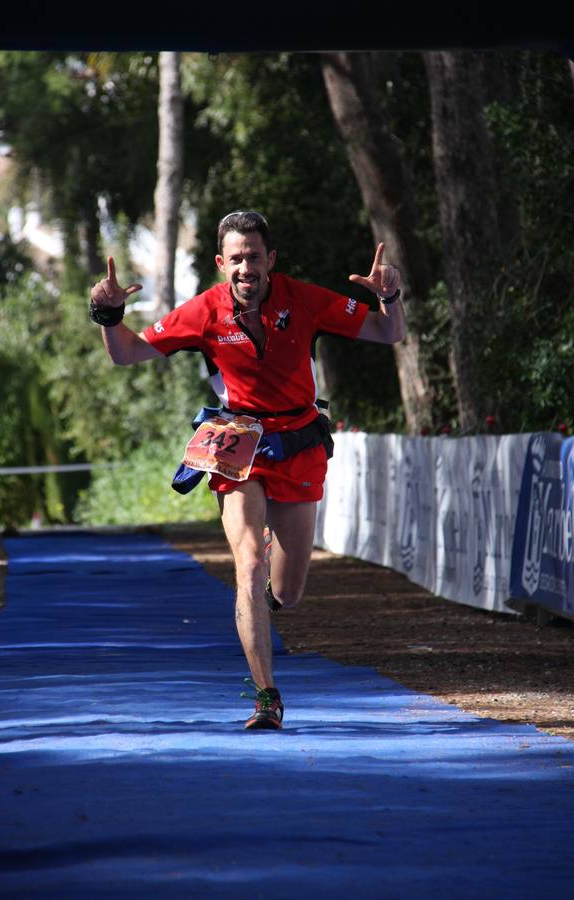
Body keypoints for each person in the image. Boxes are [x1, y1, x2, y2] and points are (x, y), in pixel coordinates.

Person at [89, 210, 406, 730]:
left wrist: (389, 296)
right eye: (235, 259)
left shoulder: (304, 298)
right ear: (221, 263)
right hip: (238, 444)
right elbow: (126, 353)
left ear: (270, 260)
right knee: (248, 564)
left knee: (288, 590)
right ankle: (266, 696)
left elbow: (387, 332)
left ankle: (260, 599)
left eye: (254, 257)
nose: (245, 268)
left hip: (299, 440)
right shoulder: (203, 311)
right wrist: (106, 314)